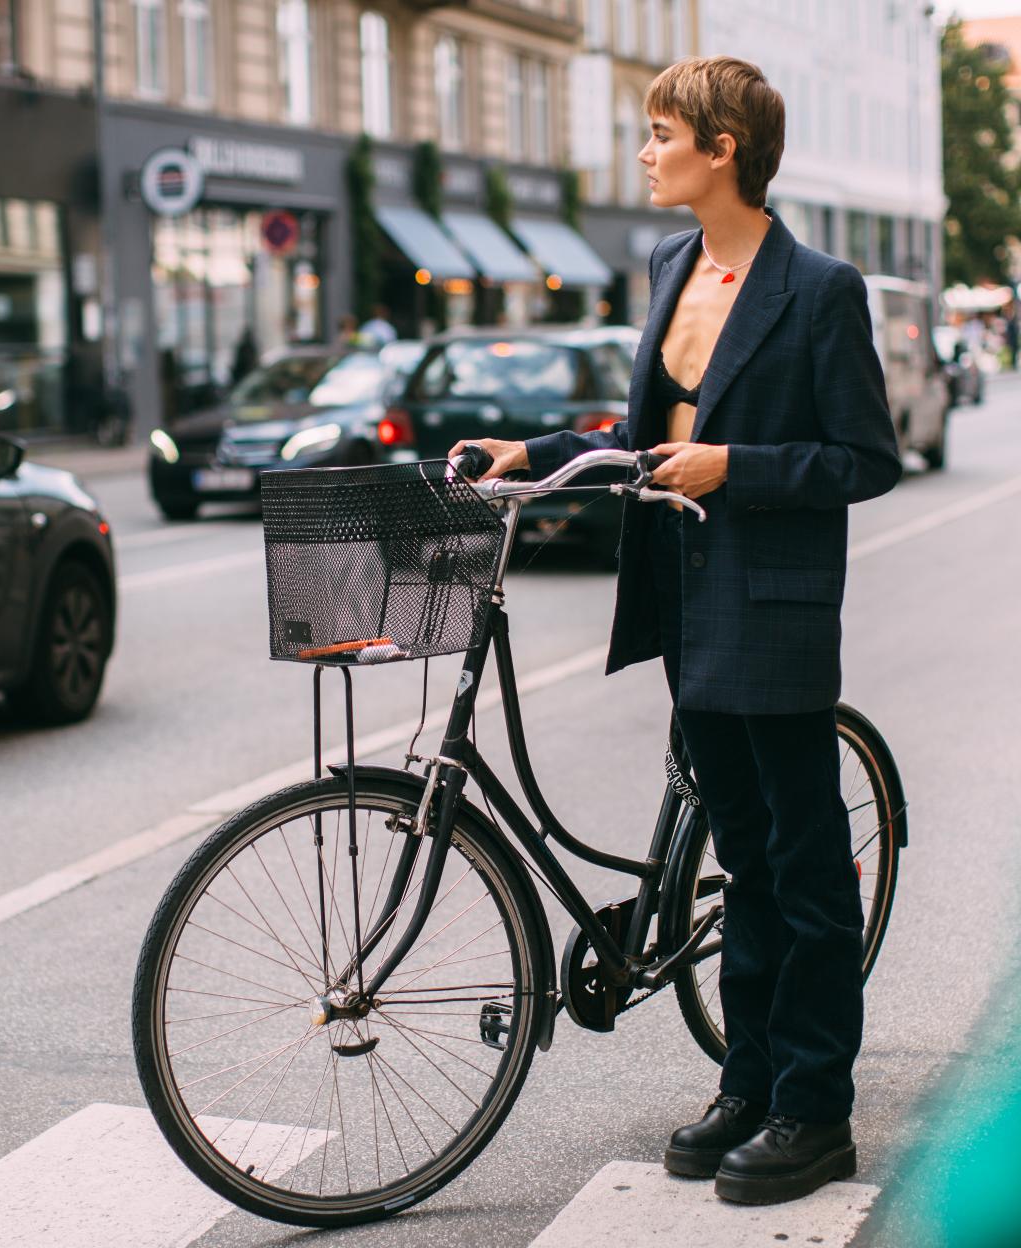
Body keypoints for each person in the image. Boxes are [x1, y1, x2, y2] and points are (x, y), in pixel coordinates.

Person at [449, 56, 901, 1206]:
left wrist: (736, 467)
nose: (645, 153)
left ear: (723, 151)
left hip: (778, 607)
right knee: (741, 860)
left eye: (662, 134)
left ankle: (815, 1110)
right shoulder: (669, 262)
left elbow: (864, 461)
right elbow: (645, 422)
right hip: (690, 601)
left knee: (803, 873)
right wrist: (538, 455)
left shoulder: (820, 289)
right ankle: (748, 1083)